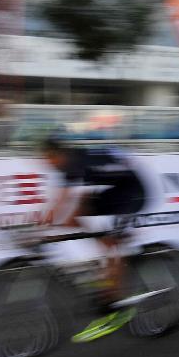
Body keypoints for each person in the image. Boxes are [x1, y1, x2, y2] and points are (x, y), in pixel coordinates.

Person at [40, 137, 148, 343]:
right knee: (76, 214)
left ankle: (117, 307)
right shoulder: (69, 162)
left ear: (57, 154)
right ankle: (105, 247)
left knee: (115, 249)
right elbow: (61, 204)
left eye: (47, 158)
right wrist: (45, 225)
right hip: (118, 188)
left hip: (133, 193)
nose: (45, 163)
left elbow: (63, 200)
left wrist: (41, 228)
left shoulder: (74, 162)